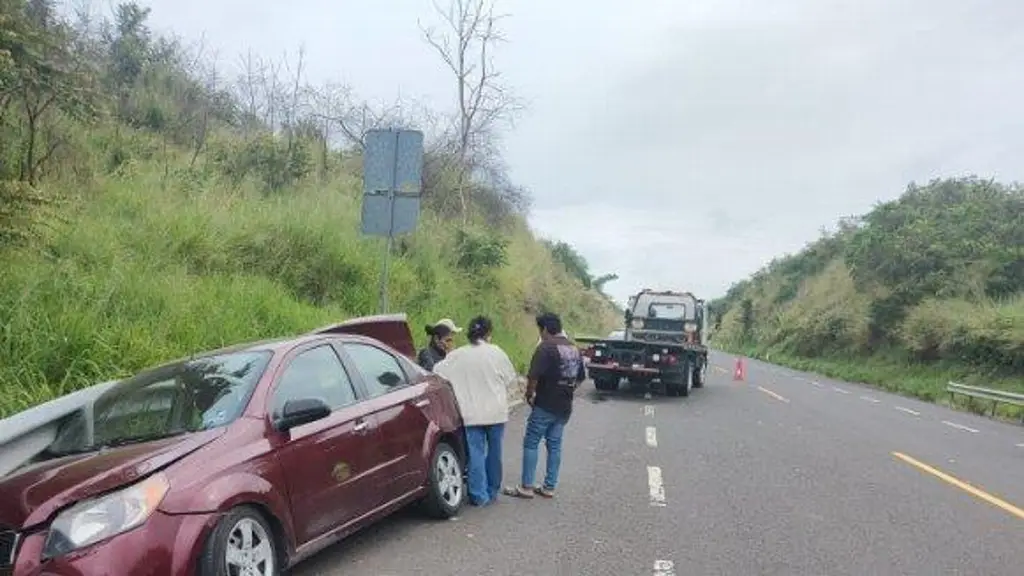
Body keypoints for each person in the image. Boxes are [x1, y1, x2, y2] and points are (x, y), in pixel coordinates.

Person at [432, 315, 517, 506]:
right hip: (496, 413)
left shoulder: (458, 355)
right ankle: (492, 490)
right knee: (495, 452)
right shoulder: (496, 352)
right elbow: (510, 379)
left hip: (471, 414)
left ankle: (479, 495)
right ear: (488, 333)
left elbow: (436, 370)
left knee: (476, 453)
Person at [505, 312, 586, 499]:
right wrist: (567, 390)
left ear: (545, 329)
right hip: (564, 406)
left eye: (540, 330)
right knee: (555, 445)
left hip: (545, 404)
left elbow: (533, 376)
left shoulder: (545, 348)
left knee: (531, 442)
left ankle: (526, 486)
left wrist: (529, 394)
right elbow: (580, 378)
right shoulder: (573, 348)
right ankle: (549, 487)